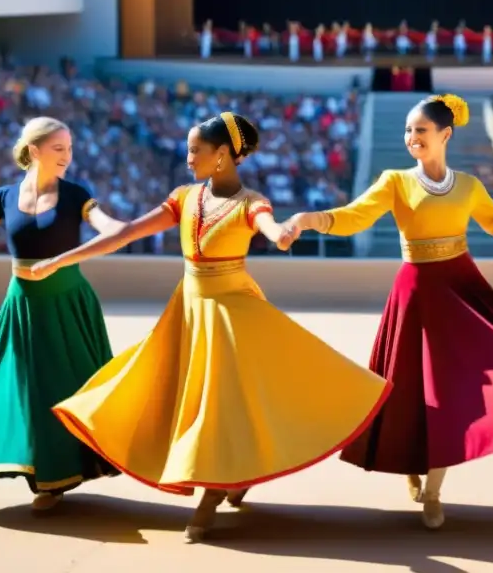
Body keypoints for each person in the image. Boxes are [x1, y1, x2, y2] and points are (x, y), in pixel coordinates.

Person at [28, 112, 391, 542]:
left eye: (194, 150)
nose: (187, 157)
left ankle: (211, 492)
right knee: (169, 396)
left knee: (218, 406)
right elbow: (124, 233)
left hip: (232, 314)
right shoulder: (183, 197)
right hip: (188, 312)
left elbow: (271, 229)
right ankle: (230, 476)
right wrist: (59, 260)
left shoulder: (250, 202)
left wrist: (284, 233)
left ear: (221, 155)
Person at [278, 94, 493, 530]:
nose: (412, 138)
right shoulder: (395, 180)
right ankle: (413, 466)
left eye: (421, 131)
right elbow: (354, 217)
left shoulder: (468, 185)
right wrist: (308, 219)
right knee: (410, 389)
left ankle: (433, 491)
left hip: (461, 288)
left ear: (445, 135)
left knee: (452, 392)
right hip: (416, 294)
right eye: (409, 131)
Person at [0, 117, 123, 511]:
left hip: (69, 302)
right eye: (59, 149)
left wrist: (128, 229)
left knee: (73, 386)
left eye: (70, 149)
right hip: (23, 304)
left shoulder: (77, 195)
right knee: (28, 389)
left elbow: (111, 231)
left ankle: (64, 473)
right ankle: (47, 480)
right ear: (33, 150)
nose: (67, 157)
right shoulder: (2, 198)